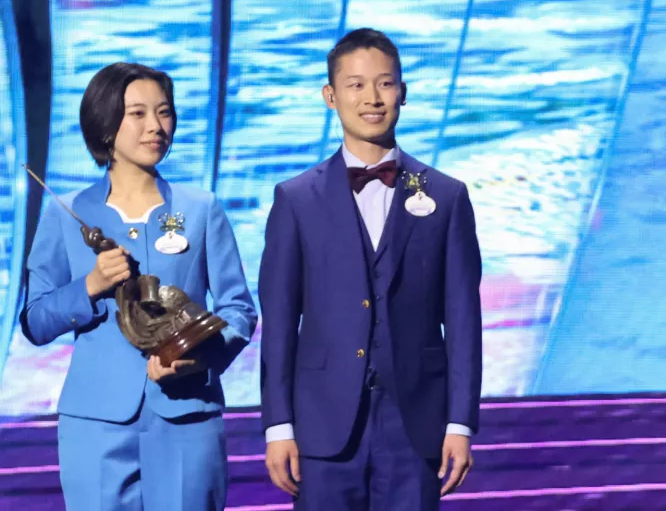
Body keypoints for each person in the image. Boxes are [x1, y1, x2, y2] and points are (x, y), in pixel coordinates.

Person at [259, 27, 483, 510]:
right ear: (330, 96)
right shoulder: (296, 200)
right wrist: (278, 425)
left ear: (403, 92)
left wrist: (460, 423)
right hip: (322, 426)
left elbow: (463, 319)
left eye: (384, 83)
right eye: (356, 85)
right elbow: (279, 323)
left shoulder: (446, 196)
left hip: (416, 422)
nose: (372, 98)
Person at [21, 62, 258, 510]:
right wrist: (89, 286)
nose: (156, 126)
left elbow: (238, 309)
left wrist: (197, 357)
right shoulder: (65, 214)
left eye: (164, 112)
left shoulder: (202, 209)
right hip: (96, 425)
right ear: (106, 124)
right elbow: (35, 320)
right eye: (138, 114)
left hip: (188, 416)